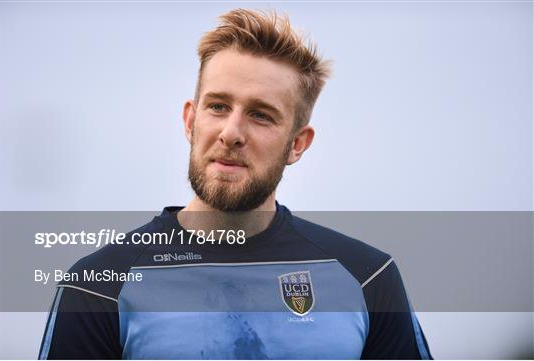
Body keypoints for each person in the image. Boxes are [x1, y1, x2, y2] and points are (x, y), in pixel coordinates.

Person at [39, 8, 432, 360]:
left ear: (297, 144)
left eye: (261, 115)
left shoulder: (367, 278)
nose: (231, 132)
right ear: (191, 121)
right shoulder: (98, 286)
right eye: (218, 106)